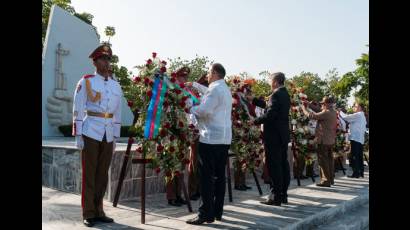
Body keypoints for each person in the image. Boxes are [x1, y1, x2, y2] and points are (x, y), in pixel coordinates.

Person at [72, 44, 122, 227]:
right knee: (90, 174)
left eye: (108, 59)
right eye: (103, 58)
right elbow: (77, 108)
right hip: (91, 131)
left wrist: (115, 136)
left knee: (102, 175)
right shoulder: (86, 81)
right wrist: (78, 135)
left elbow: (118, 112)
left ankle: (100, 210)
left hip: (108, 134)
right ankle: (88, 212)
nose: (106, 62)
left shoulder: (116, 85)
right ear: (95, 61)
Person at [186, 63, 232, 225]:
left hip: (211, 138)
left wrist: (190, 109)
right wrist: (195, 85)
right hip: (224, 139)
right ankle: (217, 211)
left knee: (206, 178)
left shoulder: (215, 89)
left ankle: (205, 213)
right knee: (220, 177)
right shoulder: (224, 88)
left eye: (208, 73)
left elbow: (205, 110)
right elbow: (209, 93)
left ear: (214, 73)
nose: (207, 75)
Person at [247, 72, 291, 206]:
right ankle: (283, 195)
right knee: (283, 165)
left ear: (276, 82)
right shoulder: (285, 94)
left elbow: (271, 114)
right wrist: (254, 100)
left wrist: (255, 121)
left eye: (270, 80)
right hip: (282, 135)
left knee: (274, 166)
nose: (269, 82)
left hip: (273, 136)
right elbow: (270, 107)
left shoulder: (276, 94)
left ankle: (276, 197)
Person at [301, 96, 337, 187]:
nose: (322, 105)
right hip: (330, 140)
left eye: (323, 104)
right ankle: (331, 179)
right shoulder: (333, 111)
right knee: (329, 160)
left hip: (323, 140)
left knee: (323, 161)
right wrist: (309, 104)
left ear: (327, 104)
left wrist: (304, 109)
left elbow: (312, 116)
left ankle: (326, 181)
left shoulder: (326, 112)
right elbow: (318, 110)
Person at [339, 102, 367, 178]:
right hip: (359, 139)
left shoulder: (358, 115)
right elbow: (350, 121)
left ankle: (356, 173)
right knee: (359, 156)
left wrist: (339, 111)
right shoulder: (361, 115)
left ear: (360, 108)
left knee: (354, 156)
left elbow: (346, 117)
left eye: (355, 106)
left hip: (355, 138)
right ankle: (360, 172)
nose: (353, 107)